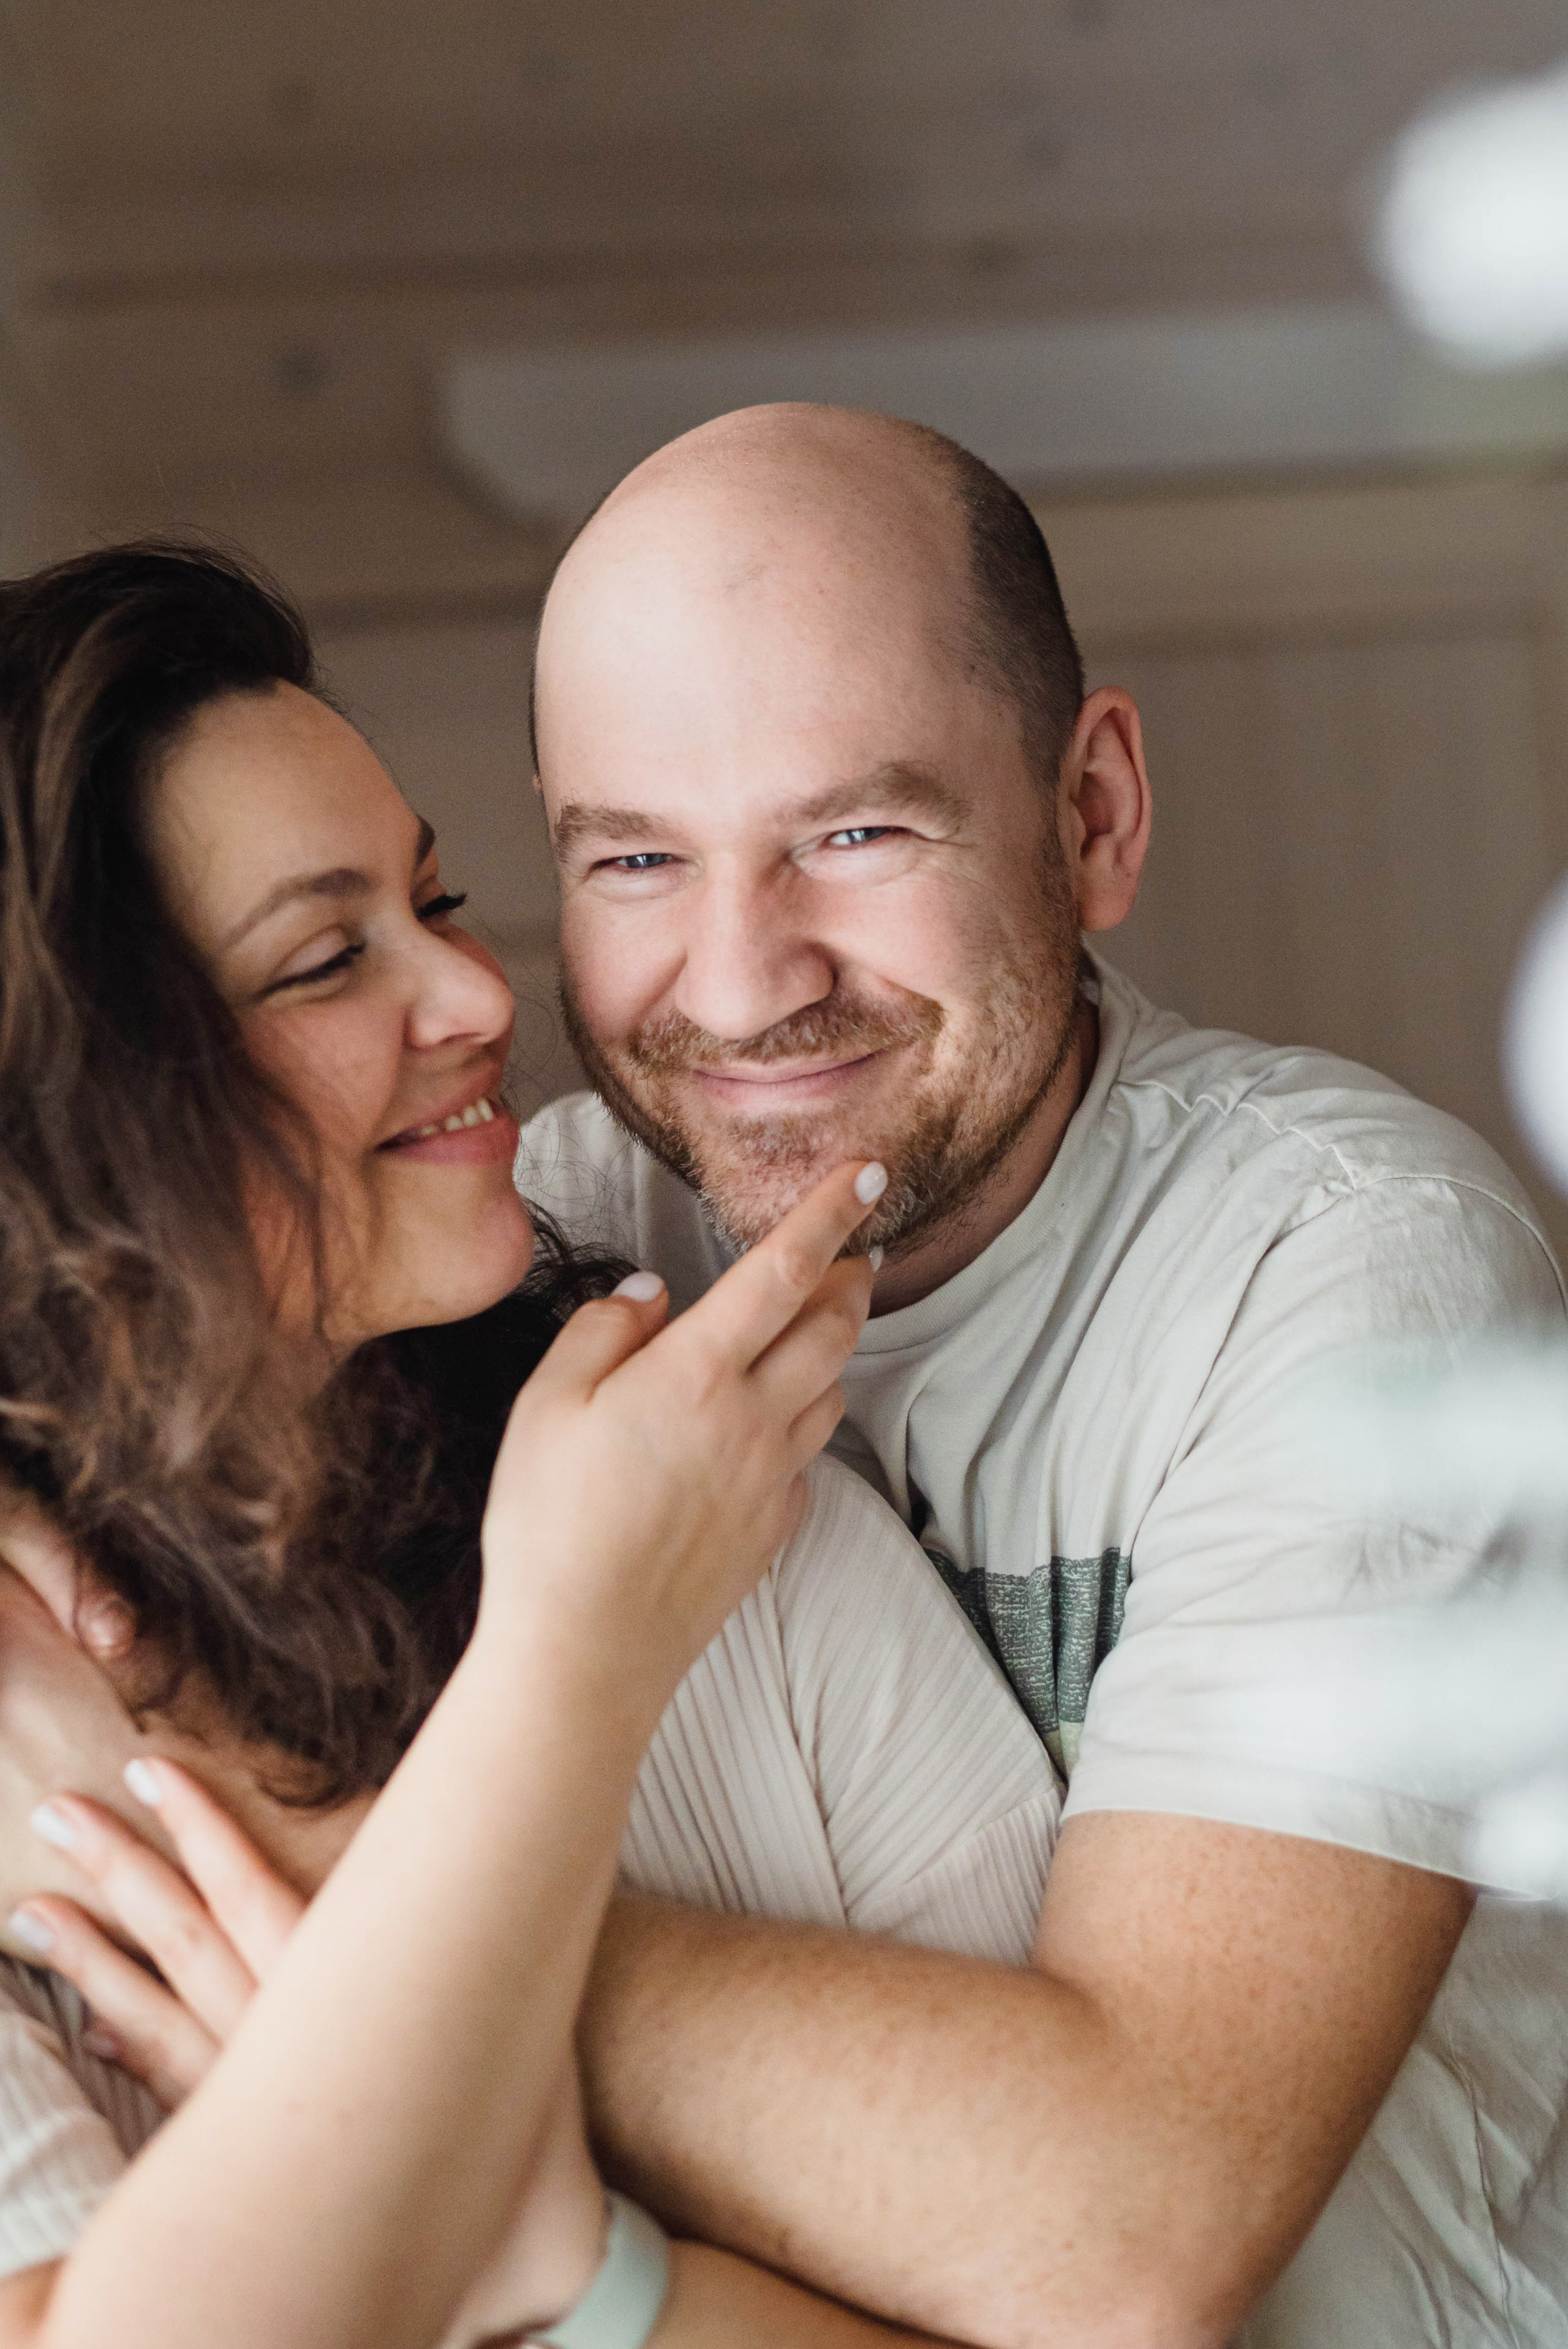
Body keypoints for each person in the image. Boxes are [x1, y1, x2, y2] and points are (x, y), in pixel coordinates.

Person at [519, 401, 1568, 2348]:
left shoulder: (1347, 1258)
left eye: (853, 832)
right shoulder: (534, 1254)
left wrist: (409, 1935)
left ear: (1092, 811)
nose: (742, 982)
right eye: (640, 858)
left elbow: (1129, 2237)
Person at [0, 540, 1066, 2349]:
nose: (484, 999)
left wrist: (561, 2277)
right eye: (330, 957)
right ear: (77, 1116)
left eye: (442, 897)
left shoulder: (704, 1484)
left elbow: (1110, 2276)